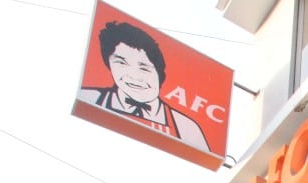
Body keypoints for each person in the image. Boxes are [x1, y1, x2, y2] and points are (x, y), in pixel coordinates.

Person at [78, 20, 210, 151]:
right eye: (121, 63)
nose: (134, 76)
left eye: (144, 68)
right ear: (109, 65)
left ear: (159, 73)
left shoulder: (185, 126)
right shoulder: (90, 98)